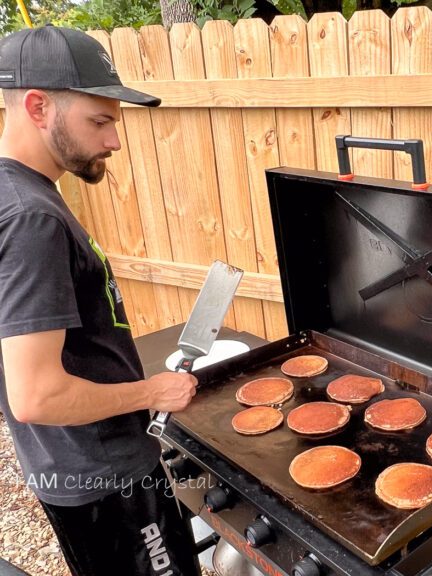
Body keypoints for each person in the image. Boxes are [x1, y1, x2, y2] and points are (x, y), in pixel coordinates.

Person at [0, 25, 200, 576]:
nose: (114, 139)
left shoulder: (16, 195)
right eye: (101, 120)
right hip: (106, 476)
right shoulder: (30, 218)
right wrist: (150, 391)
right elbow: (36, 395)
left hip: (64, 467)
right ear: (38, 106)